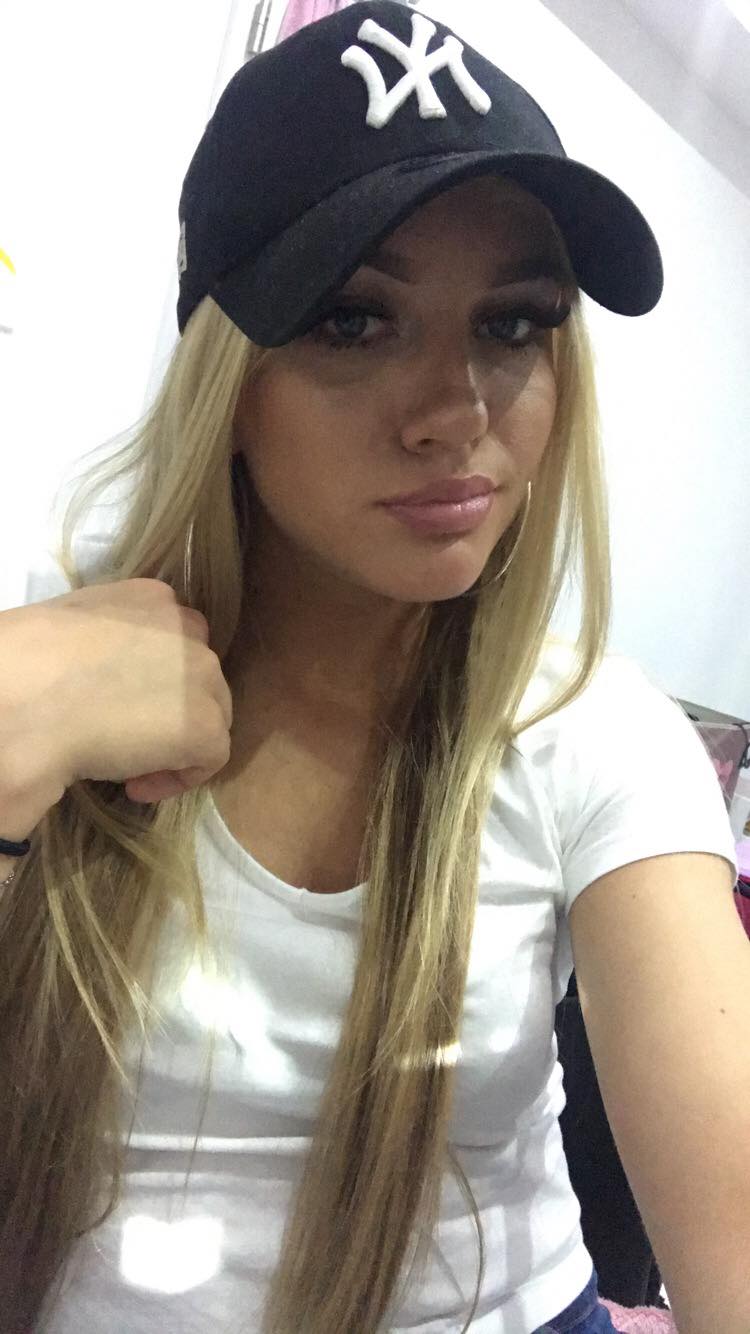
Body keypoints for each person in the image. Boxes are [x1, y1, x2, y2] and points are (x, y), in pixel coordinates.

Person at [0, 3, 743, 1332]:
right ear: (228, 376)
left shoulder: (592, 736)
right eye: (353, 320)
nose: (455, 412)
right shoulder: (50, 671)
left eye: (512, 323)